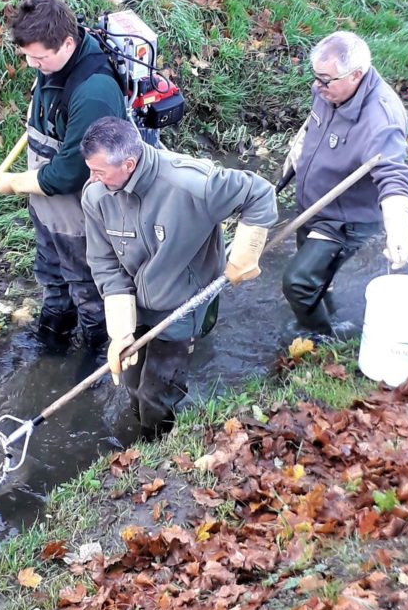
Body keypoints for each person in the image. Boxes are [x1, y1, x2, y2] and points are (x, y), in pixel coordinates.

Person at [80, 117, 278, 436]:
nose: (91, 178)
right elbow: (104, 263)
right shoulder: (96, 196)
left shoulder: (190, 184)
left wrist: (247, 249)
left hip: (182, 304)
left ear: (128, 163)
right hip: (135, 301)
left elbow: (259, 193)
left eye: (99, 171)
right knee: (131, 384)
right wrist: (120, 330)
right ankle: (141, 428)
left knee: (155, 395)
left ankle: (157, 442)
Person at [0, 0, 128, 350]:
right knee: (53, 278)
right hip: (49, 211)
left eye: (39, 58)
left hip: (82, 218)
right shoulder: (53, 64)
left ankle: (100, 361)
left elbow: (71, 173)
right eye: (27, 57)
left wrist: (14, 183)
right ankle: (51, 345)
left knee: (87, 289)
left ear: (68, 43)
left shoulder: (94, 93)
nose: (33, 65)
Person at [280, 30, 408, 338]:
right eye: (316, 77)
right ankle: (326, 311)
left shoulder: (381, 119)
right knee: (315, 278)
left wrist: (398, 231)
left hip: (344, 219)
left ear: (356, 75)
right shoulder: (331, 90)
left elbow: (394, 176)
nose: (317, 86)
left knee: (298, 281)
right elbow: (314, 122)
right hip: (313, 205)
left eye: (325, 80)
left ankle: (321, 337)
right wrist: (298, 149)